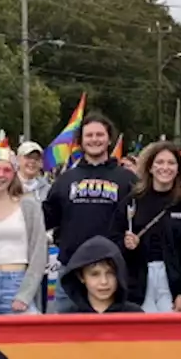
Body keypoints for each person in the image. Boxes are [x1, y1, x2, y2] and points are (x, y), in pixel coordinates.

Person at [42, 112, 135, 312]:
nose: (95, 140)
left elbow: (140, 220)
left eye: (99, 135)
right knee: (67, 337)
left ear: (109, 139)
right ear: (81, 141)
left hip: (112, 273)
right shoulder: (65, 180)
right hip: (71, 271)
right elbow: (46, 219)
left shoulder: (128, 179)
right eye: (89, 135)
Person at [120, 141, 181, 312]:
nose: (165, 167)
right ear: (150, 167)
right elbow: (114, 237)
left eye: (171, 163)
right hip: (139, 282)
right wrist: (127, 245)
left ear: (179, 169)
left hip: (173, 282)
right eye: (159, 162)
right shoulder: (133, 199)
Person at [0, 146, 47, 315]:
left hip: (18, 283)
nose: (0, 175)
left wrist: (25, 295)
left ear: (14, 174)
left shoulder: (28, 205)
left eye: (7, 170)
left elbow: (39, 252)